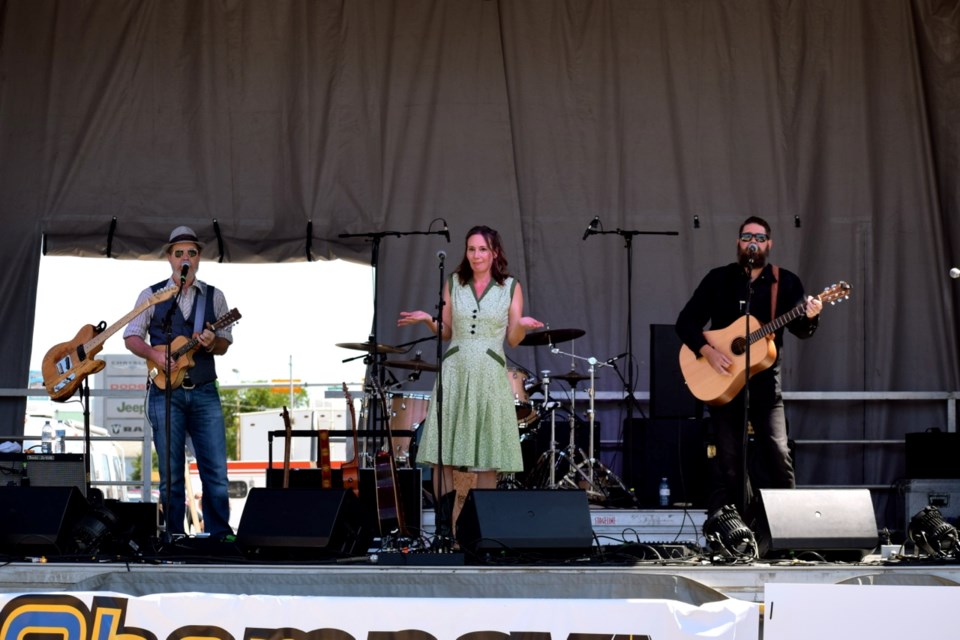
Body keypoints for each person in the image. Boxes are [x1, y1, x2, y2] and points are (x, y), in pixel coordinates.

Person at [675, 216, 822, 529]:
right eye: (746, 236)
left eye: (759, 237)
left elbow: (802, 330)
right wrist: (709, 352)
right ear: (739, 243)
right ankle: (738, 528)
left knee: (779, 452)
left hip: (766, 388)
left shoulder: (786, 282)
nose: (752, 242)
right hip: (724, 387)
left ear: (768, 244)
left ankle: (791, 529)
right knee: (729, 461)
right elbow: (685, 322)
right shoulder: (718, 279)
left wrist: (810, 316)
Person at [397, 225, 544, 508]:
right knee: (444, 454)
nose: (476, 255)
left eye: (483, 249)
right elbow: (446, 331)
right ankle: (445, 528)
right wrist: (428, 318)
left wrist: (522, 326)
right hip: (455, 370)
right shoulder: (453, 282)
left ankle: (480, 530)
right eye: (471, 249)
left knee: (487, 456)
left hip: (489, 372)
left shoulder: (510, 287)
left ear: (495, 252)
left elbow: (512, 340)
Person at [123, 226, 235, 539]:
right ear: (170, 258)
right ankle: (172, 538)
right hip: (163, 393)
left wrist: (212, 343)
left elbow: (225, 342)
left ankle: (219, 537)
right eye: (179, 253)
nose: (185, 257)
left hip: (204, 391)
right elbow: (131, 336)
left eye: (192, 252)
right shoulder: (152, 294)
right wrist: (155, 356)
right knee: (170, 474)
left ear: (199, 258)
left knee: (215, 472)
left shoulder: (215, 296)